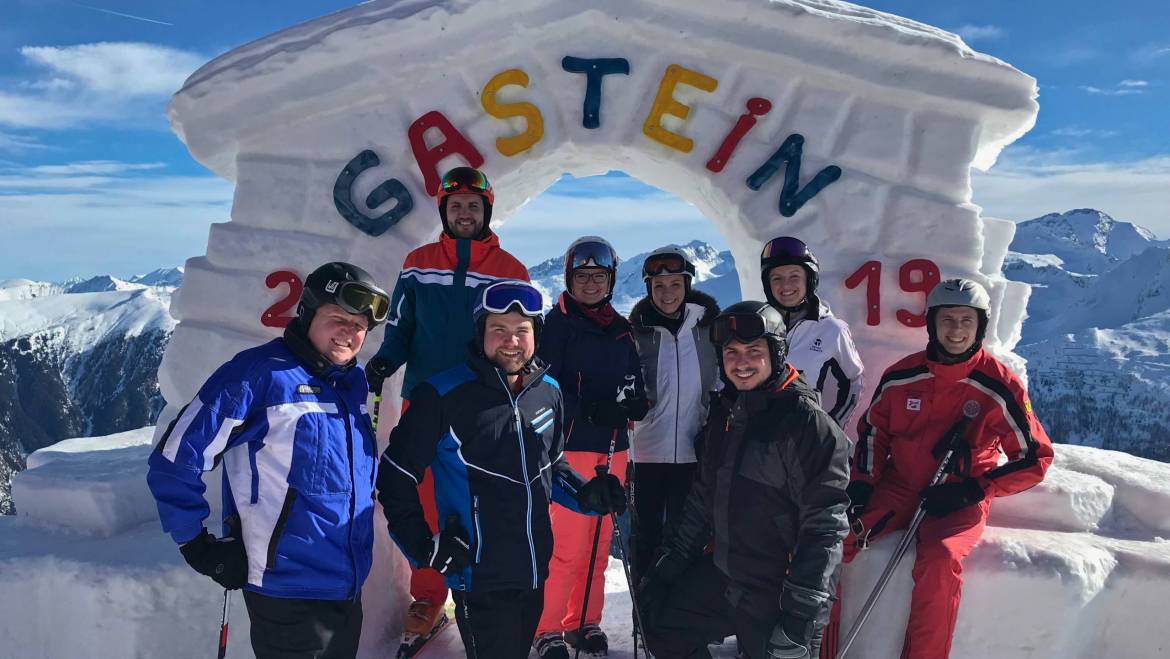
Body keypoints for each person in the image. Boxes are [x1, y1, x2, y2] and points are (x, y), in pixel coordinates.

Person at [147, 262, 390, 659]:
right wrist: (195, 544)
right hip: (288, 591)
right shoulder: (259, 375)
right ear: (308, 314)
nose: (350, 332)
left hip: (345, 586)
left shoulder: (349, 384)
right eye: (338, 318)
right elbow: (176, 458)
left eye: (360, 325)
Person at [377, 280, 625, 659]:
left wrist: (587, 496)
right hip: (478, 575)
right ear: (480, 334)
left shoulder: (549, 392)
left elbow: (552, 464)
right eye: (499, 329)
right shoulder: (442, 395)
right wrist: (423, 548)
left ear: (535, 335)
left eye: (521, 330)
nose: (511, 340)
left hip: (533, 567)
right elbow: (395, 476)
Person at [837, 278, 1054, 659]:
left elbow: (1035, 458)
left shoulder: (998, 386)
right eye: (947, 319)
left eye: (966, 320)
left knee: (940, 558)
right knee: (835, 536)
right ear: (932, 324)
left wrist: (976, 489)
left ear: (981, 326)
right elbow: (873, 433)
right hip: (900, 484)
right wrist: (862, 485)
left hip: (959, 494)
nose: (956, 329)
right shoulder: (902, 376)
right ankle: (813, 643)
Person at [366, 166, 530, 642]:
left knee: (482, 495)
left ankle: (484, 586)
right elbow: (401, 326)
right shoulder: (418, 262)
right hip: (425, 396)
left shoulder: (510, 270)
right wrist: (386, 360)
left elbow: (520, 336)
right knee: (422, 497)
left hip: (485, 402)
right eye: (456, 206)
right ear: (444, 211)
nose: (464, 213)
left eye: (473, 207)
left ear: (486, 212)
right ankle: (430, 593)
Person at [636, 301, 851, 659]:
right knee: (660, 622)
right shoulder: (729, 412)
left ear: (778, 353)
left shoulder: (805, 423)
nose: (742, 362)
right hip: (728, 576)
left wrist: (800, 613)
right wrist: (666, 567)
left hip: (781, 589)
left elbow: (825, 526)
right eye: (731, 352)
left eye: (754, 351)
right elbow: (702, 502)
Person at [533, 236, 650, 659]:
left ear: (611, 280)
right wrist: (587, 410)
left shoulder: (620, 329)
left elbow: (633, 381)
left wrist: (637, 402)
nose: (590, 284)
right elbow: (543, 386)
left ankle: (583, 621)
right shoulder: (556, 326)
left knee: (599, 542)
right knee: (566, 545)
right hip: (570, 449)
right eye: (582, 276)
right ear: (569, 279)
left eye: (598, 276)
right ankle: (546, 628)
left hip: (613, 448)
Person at [626, 246, 720, 579]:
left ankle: (682, 617)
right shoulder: (636, 334)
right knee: (645, 535)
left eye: (675, 284)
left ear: (687, 285)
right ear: (649, 289)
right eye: (659, 286)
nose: (668, 293)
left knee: (689, 535)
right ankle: (646, 613)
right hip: (646, 452)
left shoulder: (709, 329)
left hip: (695, 451)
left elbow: (722, 382)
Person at [760, 236, 863, 427]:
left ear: (809, 279)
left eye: (794, 276)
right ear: (768, 284)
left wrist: (833, 427)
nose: (786, 286)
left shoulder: (831, 330)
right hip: (756, 439)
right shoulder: (756, 324)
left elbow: (853, 380)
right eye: (777, 278)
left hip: (804, 441)